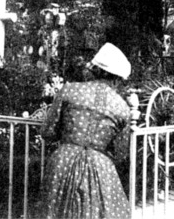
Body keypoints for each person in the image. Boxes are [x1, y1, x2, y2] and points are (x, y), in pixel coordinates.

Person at [41, 42, 132, 219]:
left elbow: (47, 132)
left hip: (63, 161)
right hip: (100, 167)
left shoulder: (70, 90)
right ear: (117, 78)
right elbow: (120, 154)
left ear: (94, 69)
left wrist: (69, 138)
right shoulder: (122, 107)